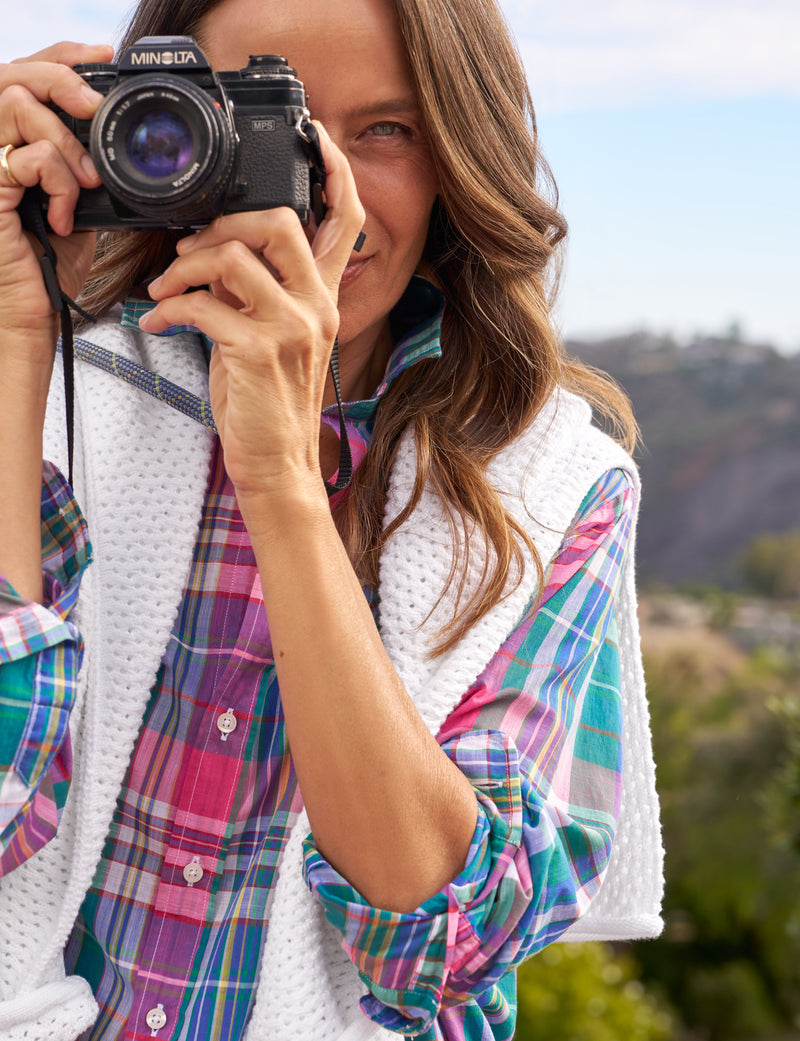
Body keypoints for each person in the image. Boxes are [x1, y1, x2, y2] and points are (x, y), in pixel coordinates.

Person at [0, 0, 664, 1038]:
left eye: (384, 132)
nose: (320, 188)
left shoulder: (555, 485)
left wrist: (280, 481)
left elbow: (441, 942)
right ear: (141, 123)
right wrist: (13, 340)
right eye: (260, 116)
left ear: (457, 155)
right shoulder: (60, 393)